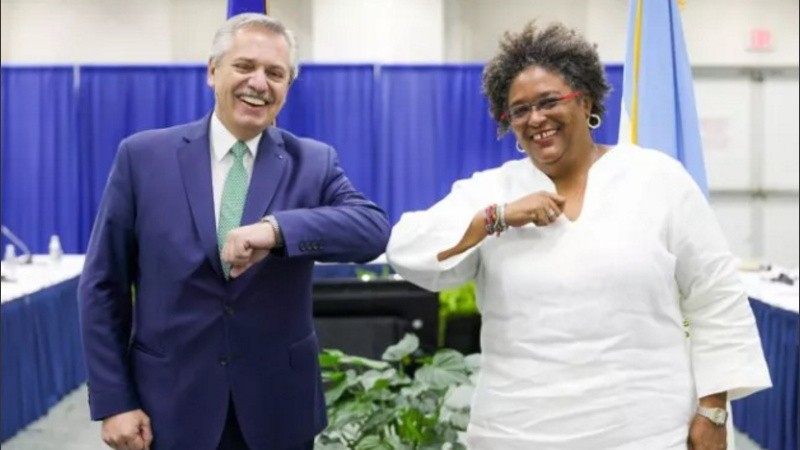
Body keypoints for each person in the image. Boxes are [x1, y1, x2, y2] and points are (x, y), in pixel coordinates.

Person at [386, 21, 771, 450]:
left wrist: (712, 411)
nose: (536, 119)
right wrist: (497, 217)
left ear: (585, 98)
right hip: (516, 433)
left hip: (648, 432)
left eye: (549, 101)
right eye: (519, 110)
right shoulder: (492, 189)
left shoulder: (657, 179)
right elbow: (406, 249)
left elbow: (716, 298)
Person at [78, 13, 390, 450]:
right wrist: (114, 401)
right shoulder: (143, 158)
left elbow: (372, 230)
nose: (258, 83)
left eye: (275, 73)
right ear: (212, 71)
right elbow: (102, 287)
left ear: (287, 87)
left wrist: (276, 231)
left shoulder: (313, 162)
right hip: (168, 411)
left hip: (278, 413)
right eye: (244, 66)